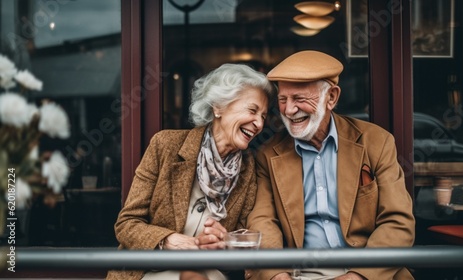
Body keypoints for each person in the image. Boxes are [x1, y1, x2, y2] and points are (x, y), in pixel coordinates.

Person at [245, 50, 416, 280]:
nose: (288, 110)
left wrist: (357, 277)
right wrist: (277, 275)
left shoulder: (376, 142)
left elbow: (398, 222)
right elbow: (263, 222)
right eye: (283, 99)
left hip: (369, 270)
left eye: (300, 99)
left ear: (332, 97)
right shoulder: (267, 154)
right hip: (303, 273)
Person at [106, 63, 273, 280]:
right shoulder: (166, 145)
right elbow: (127, 224)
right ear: (218, 107)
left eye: (264, 115)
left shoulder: (248, 168)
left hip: (207, 271)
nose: (259, 123)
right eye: (252, 110)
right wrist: (167, 241)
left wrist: (224, 242)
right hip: (151, 269)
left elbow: (240, 239)